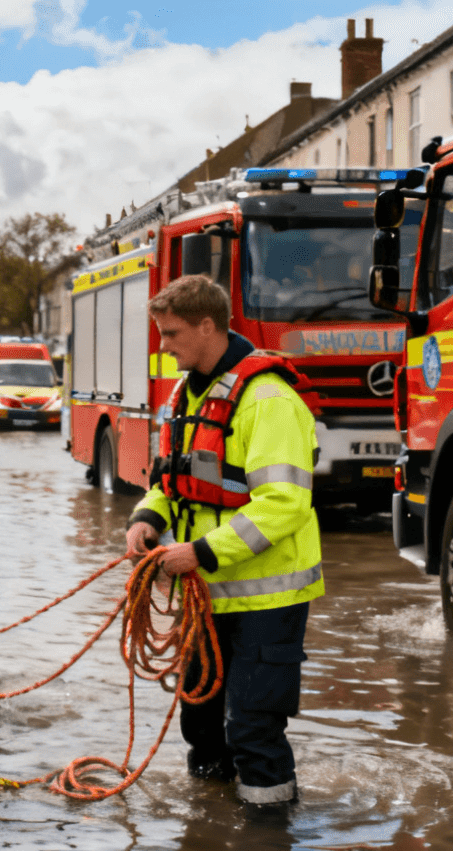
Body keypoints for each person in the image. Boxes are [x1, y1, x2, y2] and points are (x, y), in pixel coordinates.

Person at [123, 275, 323, 806]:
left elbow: (284, 505)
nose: (163, 347)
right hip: (207, 595)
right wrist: (145, 518)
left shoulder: (268, 401)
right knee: (202, 722)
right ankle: (208, 841)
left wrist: (201, 553)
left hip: (267, 599)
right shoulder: (188, 396)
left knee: (253, 730)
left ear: (207, 326)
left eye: (171, 334)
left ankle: (267, 847)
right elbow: (171, 483)